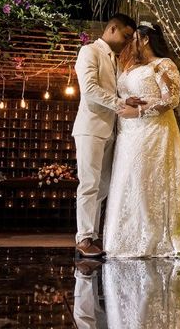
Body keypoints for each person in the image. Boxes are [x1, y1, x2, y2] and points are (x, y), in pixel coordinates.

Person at [102, 21, 180, 258]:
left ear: (145, 39)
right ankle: (122, 239)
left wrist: (140, 111)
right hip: (128, 134)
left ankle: (153, 237)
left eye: (133, 39)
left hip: (153, 131)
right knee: (127, 181)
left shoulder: (163, 65)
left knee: (146, 181)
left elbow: (171, 100)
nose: (130, 43)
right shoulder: (129, 65)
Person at [72, 14, 142, 258]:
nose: (127, 42)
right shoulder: (89, 52)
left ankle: (95, 235)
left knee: (103, 187)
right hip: (90, 128)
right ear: (112, 28)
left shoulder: (116, 60)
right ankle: (83, 238)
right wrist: (120, 103)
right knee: (89, 184)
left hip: (111, 130)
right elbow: (90, 90)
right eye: (125, 36)